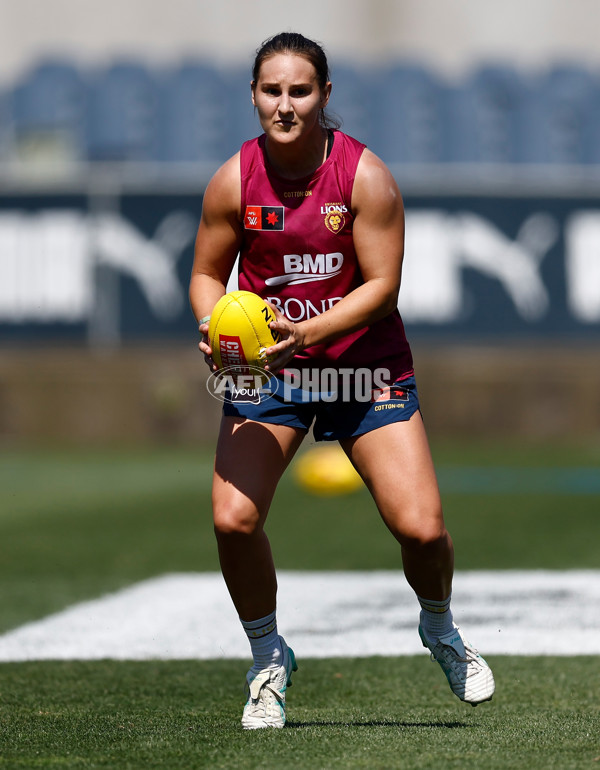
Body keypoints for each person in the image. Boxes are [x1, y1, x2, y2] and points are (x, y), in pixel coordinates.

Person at [189, 31, 495, 729]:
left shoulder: (365, 178)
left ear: (325, 96)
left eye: (301, 91)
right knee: (232, 520)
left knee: (422, 533)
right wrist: (214, 329)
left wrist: (307, 332)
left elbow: (383, 287)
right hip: (272, 374)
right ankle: (268, 659)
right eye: (272, 90)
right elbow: (208, 273)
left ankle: (439, 626)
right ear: (254, 95)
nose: (286, 105)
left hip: (364, 368)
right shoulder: (232, 181)